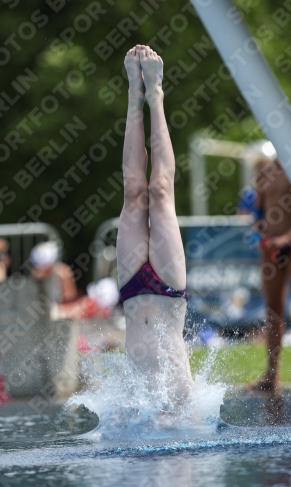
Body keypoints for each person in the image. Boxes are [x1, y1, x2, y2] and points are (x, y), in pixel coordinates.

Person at [117, 45, 193, 409]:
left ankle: (144, 94)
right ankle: (147, 94)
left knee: (142, 193)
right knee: (155, 193)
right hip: (167, 288)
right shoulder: (134, 411)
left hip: (134, 290)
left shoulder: (186, 412)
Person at [247, 149, 291, 394]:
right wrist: (262, 237)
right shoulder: (266, 172)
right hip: (271, 251)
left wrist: (285, 238)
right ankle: (271, 376)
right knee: (273, 311)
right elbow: (258, 214)